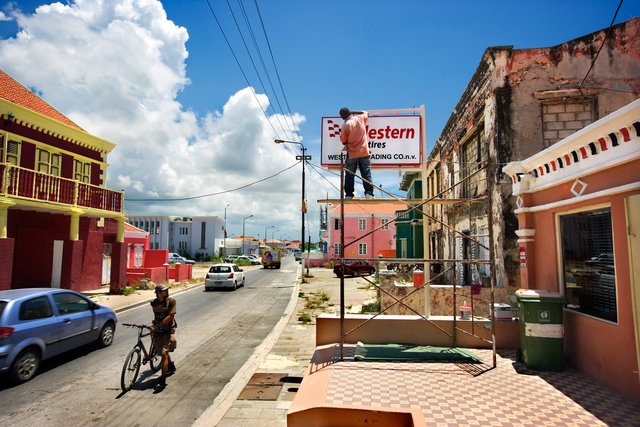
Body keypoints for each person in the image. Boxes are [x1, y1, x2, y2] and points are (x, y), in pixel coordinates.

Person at [340, 107, 374, 199]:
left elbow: (343, 141)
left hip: (352, 153)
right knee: (366, 173)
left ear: (342, 117)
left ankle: (349, 195)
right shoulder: (360, 118)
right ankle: (369, 194)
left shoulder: (345, 125)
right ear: (350, 113)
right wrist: (354, 112)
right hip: (364, 151)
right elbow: (366, 112)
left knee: (349, 174)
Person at [150, 284, 177, 392]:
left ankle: (162, 381)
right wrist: (154, 324)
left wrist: (159, 325)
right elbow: (156, 315)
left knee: (164, 353)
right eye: (164, 291)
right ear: (158, 292)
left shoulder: (171, 302)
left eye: (167, 291)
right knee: (161, 352)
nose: (166, 292)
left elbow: (170, 316)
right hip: (158, 331)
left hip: (168, 330)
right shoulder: (153, 303)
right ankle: (171, 366)